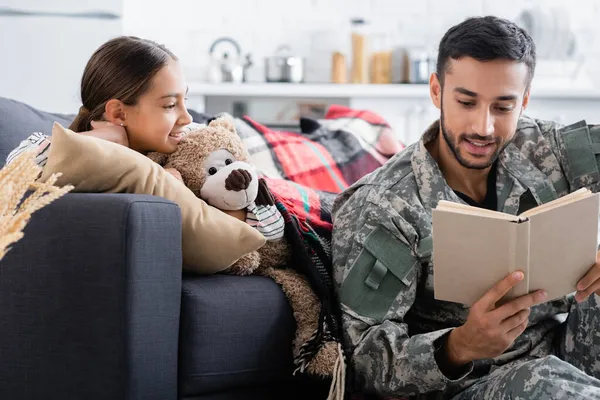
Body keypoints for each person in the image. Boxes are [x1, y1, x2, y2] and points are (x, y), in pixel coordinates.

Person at [332, 16, 600, 399]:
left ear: (523, 101)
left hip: (568, 358)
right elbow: (364, 363)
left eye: (503, 107)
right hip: (468, 387)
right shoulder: (384, 206)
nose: (484, 127)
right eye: (466, 102)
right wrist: (459, 346)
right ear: (437, 91)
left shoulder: (547, 148)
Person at [6, 35, 283, 229]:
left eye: (184, 100)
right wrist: (101, 141)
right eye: (170, 105)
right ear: (118, 113)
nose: (185, 116)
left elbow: (270, 220)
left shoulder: (196, 141)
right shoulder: (53, 145)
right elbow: (13, 180)